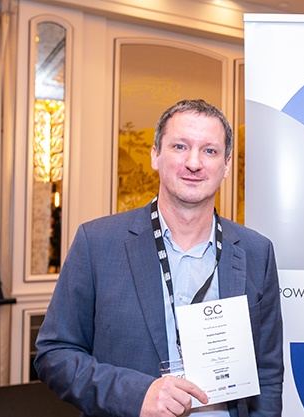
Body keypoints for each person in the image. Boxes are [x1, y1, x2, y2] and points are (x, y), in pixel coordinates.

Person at [35, 99, 284, 417]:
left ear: (226, 165)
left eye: (209, 151)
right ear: (155, 155)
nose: (194, 162)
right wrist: (135, 395)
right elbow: (54, 353)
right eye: (180, 146)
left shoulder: (256, 252)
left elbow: (268, 372)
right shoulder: (97, 243)